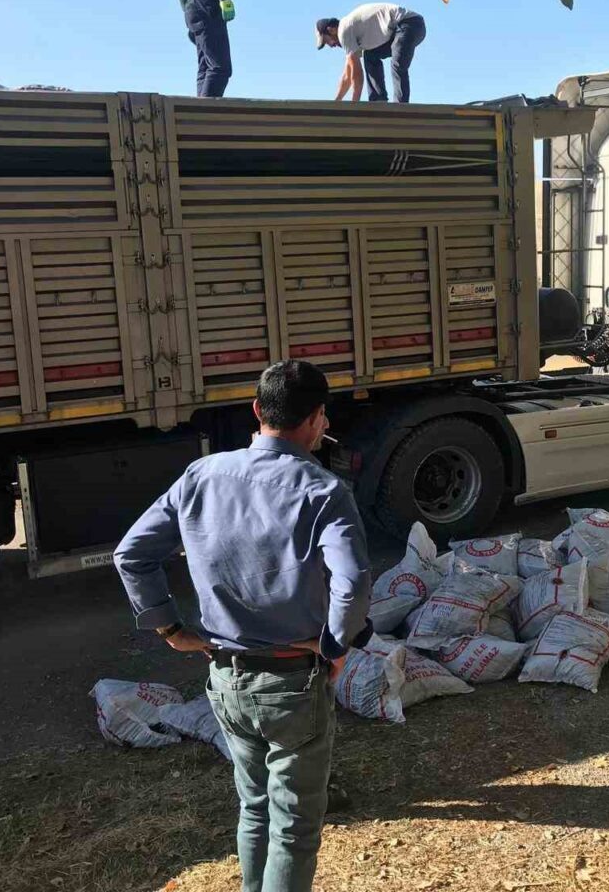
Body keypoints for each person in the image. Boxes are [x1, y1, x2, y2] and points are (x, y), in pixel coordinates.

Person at [114, 360, 371, 892]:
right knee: (296, 828)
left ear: (257, 411)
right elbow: (352, 581)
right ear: (319, 420)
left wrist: (171, 631)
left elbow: (132, 555)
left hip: (225, 679)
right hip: (293, 680)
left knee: (254, 808)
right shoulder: (323, 491)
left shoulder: (201, 475)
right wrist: (334, 644)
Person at [316, 2, 427, 103]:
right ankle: (379, 100)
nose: (331, 46)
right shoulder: (352, 33)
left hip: (409, 23)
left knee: (397, 64)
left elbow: (357, 74)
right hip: (396, 31)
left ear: (331, 30)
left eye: (327, 41)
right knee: (370, 55)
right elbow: (348, 74)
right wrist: (337, 101)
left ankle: (401, 107)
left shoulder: (343, 30)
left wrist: (354, 105)